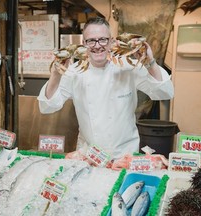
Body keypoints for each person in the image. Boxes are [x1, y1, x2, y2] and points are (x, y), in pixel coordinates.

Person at [37, 17, 174, 163]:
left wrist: (150, 62)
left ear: (111, 41)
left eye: (103, 39)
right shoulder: (74, 71)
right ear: (84, 44)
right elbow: (47, 106)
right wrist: (55, 75)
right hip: (89, 156)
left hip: (124, 154)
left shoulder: (127, 66)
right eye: (91, 40)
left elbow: (164, 92)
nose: (97, 46)